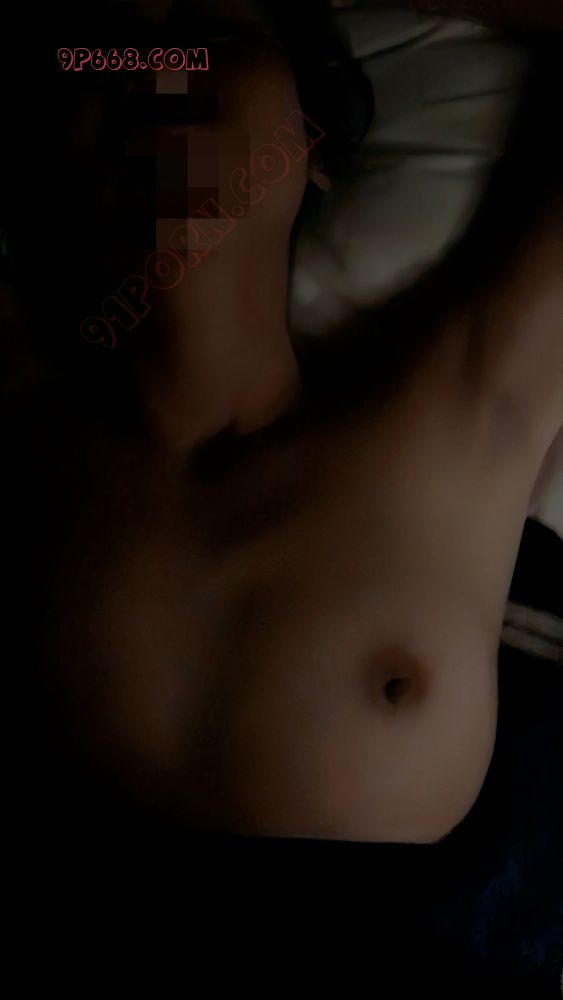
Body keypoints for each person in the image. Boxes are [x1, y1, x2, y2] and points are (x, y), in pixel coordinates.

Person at [5, 0, 562, 843]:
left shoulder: (456, 426)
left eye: (208, 39)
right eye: (107, 55)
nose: (158, 71)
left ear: (311, 153)